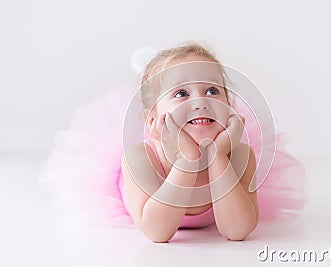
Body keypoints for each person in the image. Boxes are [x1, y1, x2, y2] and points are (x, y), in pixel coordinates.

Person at [39, 42, 306, 243]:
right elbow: (158, 232)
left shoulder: (239, 156)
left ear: (229, 105)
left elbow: (236, 232)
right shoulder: (140, 158)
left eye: (212, 90)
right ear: (153, 117)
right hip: (146, 205)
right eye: (181, 93)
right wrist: (187, 161)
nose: (200, 101)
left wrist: (216, 157)